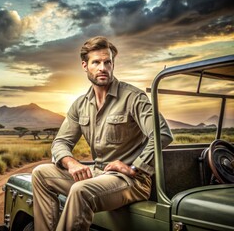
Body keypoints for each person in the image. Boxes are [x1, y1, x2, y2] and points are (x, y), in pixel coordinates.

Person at [32, 36, 173, 231]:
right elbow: (60, 143)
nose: (103, 68)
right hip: (98, 175)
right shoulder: (80, 105)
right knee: (40, 173)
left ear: (113, 64)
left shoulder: (133, 97)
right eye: (96, 62)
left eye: (108, 62)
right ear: (85, 65)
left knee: (80, 190)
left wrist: (134, 167)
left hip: (130, 182)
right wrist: (71, 162)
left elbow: (162, 133)